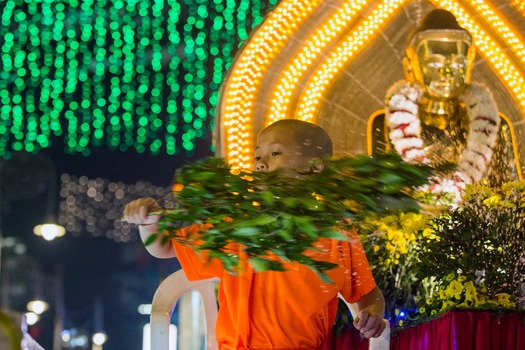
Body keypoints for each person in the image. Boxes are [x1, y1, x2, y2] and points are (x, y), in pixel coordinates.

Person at [124, 119, 386, 349]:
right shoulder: (237, 225)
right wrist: (149, 223)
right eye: (257, 157)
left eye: (275, 153)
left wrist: (372, 314)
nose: (261, 164)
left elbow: (367, 294)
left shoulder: (336, 231)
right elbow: (164, 247)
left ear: (315, 167)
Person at [368, 9, 521, 203]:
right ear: (409, 67)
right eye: (435, 63)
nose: (447, 73)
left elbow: (513, 200)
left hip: (477, 231)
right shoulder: (387, 124)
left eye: (457, 63)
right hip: (409, 229)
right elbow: (377, 200)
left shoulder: (493, 128)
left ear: (469, 66)